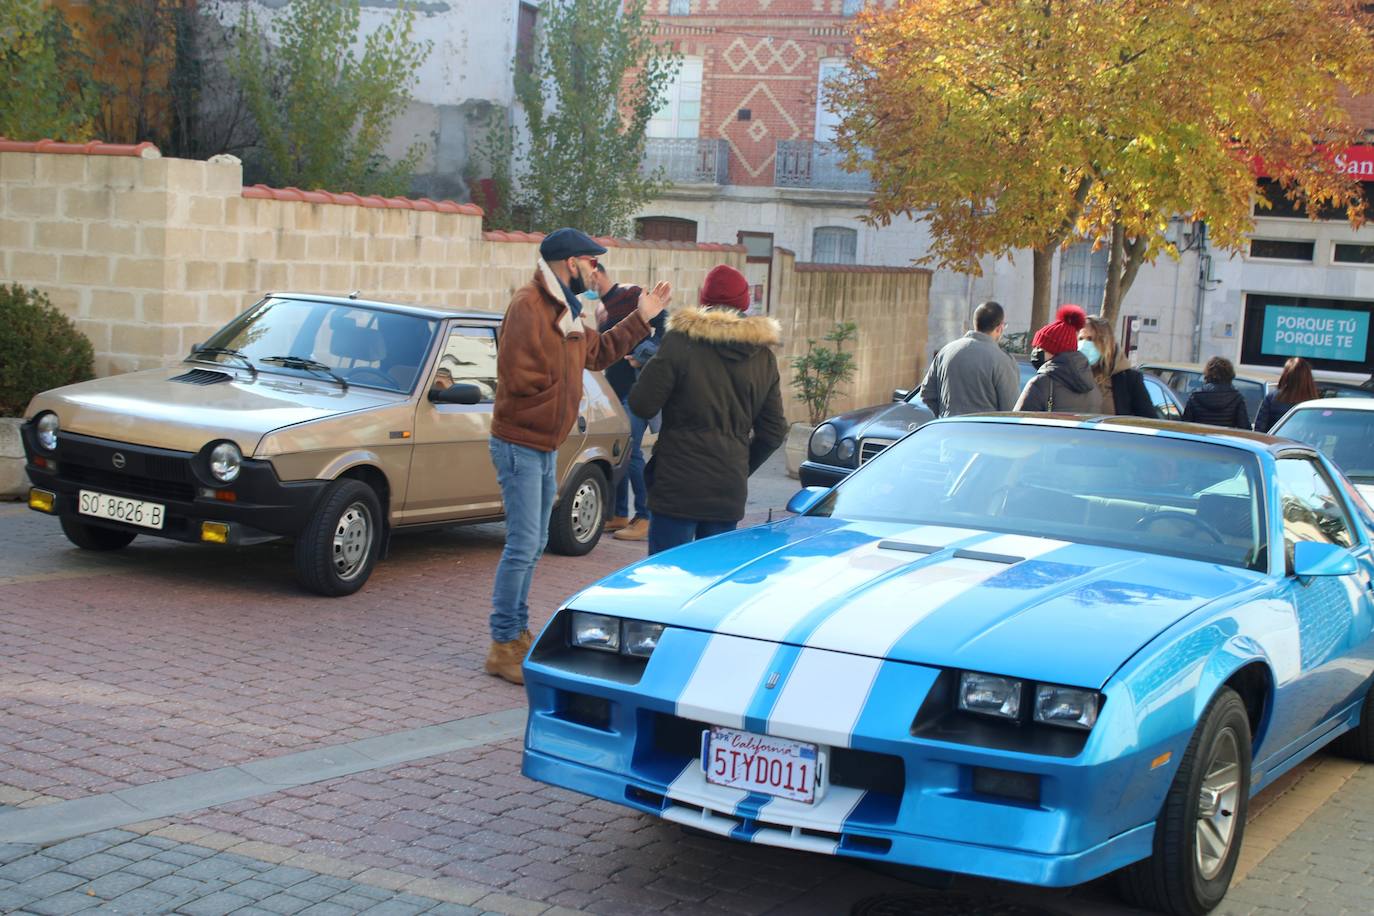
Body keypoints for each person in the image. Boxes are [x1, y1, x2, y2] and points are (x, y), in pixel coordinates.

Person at [485, 228, 672, 685]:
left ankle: (516, 633)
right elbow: (517, 374)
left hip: (543, 443)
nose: (595, 271)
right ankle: (502, 644)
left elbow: (601, 350)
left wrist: (642, 318)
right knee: (523, 545)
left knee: (531, 548)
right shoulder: (530, 305)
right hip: (521, 442)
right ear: (572, 263)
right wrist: (559, 399)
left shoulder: (565, 309)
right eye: (592, 262)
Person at [628, 264, 787, 555]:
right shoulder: (763, 357)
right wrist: (740, 466)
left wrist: (658, 356)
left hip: (676, 482)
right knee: (710, 582)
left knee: (665, 577)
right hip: (726, 487)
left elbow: (641, 403)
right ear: (744, 303)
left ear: (704, 301)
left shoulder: (678, 342)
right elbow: (773, 433)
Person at [594, 263, 665, 542]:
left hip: (637, 390)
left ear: (597, 272)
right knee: (619, 452)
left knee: (631, 451)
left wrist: (641, 355)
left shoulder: (631, 295)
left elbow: (663, 335)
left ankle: (645, 516)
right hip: (616, 389)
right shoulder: (602, 307)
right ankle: (619, 513)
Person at [920, 301, 1021, 417]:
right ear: (999, 328)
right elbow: (1012, 410)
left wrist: (944, 415)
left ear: (975, 323)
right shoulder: (1002, 360)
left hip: (948, 429)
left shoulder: (946, 351)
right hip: (985, 432)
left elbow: (927, 393)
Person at [1014, 304, 1103, 413]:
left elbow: (1018, 424)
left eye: (1041, 348)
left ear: (1054, 351)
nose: (1036, 352)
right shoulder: (1093, 386)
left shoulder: (1041, 383)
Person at [1078, 315, 1156, 418]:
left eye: (1090, 339)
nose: (1083, 344)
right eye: (1080, 338)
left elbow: (1148, 421)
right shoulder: (1070, 374)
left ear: (1105, 342)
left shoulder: (1129, 380)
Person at [1180, 356, 1251, 429]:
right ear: (1230, 375)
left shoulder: (1195, 396)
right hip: (1225, 439)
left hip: (1201, 438)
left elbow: (1185, 426)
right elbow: (1245, 428)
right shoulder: (1237, 398)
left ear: (1208, 374)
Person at [1254, 356, 1319, 432]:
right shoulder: (1314, 403)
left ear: (1286, 375)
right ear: (1308, 378)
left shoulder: (1272, 397)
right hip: (1301, 443)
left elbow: (1259, 429)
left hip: (1274, 442)